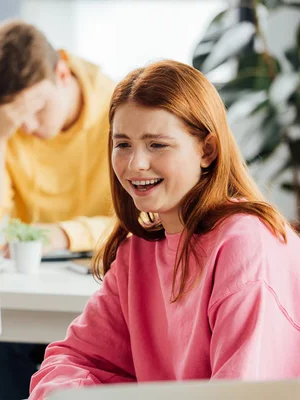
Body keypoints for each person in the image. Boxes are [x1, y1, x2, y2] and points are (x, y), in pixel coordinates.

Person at [29, 60, 300, 400]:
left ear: (207, 150)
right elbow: (74, 358)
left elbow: (241, 392)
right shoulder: (137, 250)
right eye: (123, 144)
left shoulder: (246, 246)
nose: (134, 163)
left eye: (157, 144)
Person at [0, 20, 116, 400]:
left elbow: (146, 218)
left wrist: (63, 234)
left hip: (106, 279)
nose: (28, 127)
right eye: (16, 117)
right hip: (38, 280)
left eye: (36, 109)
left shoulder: (121, 105)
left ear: (62, 72)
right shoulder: (2, 121)